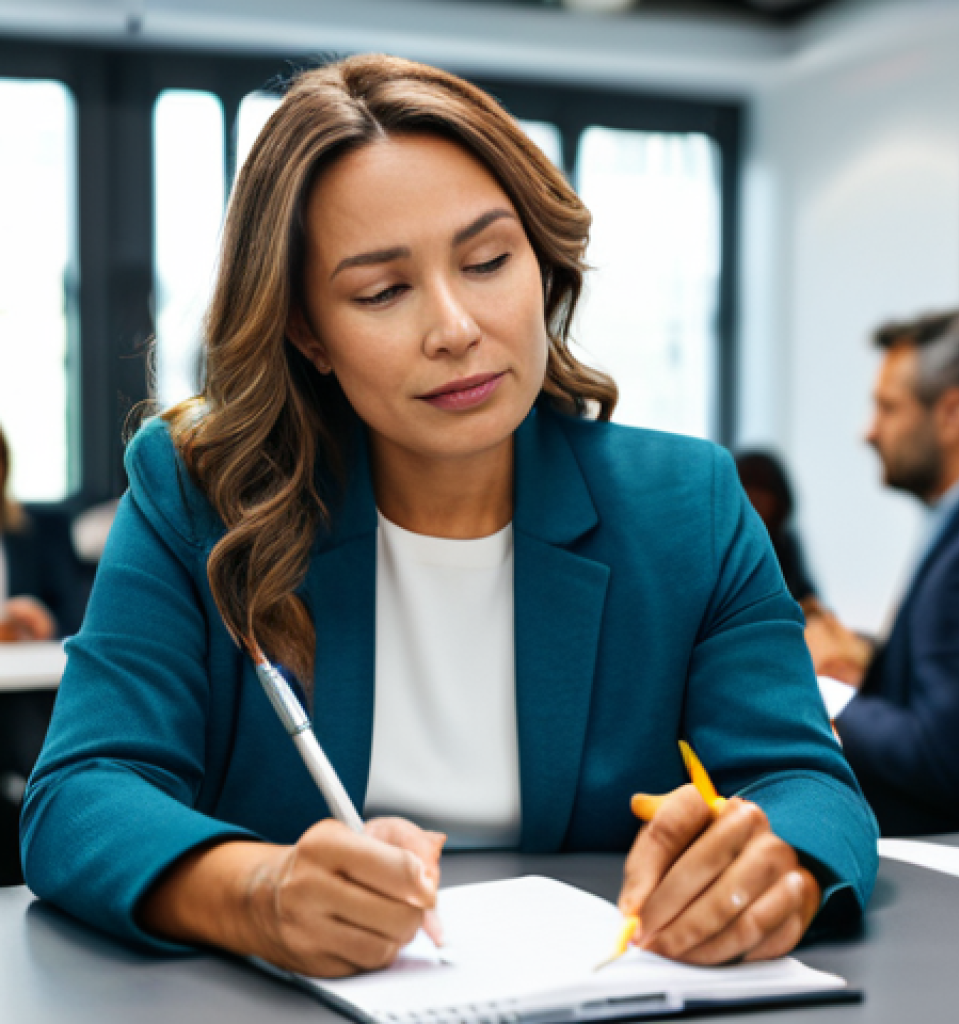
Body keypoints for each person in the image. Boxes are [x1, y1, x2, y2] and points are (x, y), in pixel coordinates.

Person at [22, 56, 877, 976]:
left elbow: (806, 786)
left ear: (540, 260)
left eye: (487, 261)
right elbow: (82, 792)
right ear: (308, 331)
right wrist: (257, 894)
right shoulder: (199, 497)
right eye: (382, 291)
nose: (456, 326)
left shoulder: (689, 508)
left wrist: (768, 862)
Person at [806, 310, 959, 835]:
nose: (869, 432)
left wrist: (820, 687)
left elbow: (942, 757)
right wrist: (867, 661)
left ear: (953, 413)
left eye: (888, 408)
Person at [0, 423, 87, 885]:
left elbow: (79, 614)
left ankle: (44, 816)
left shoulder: (42, 529)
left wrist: (42, 619)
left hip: (28, 690)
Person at [734, 450, 820, 611]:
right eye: (746, 487)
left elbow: (806, 599)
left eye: (763, 488)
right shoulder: (720, 551)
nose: (754, 499)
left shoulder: (786, 544)